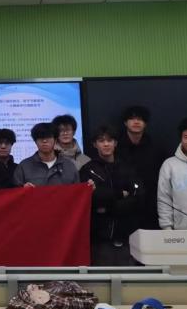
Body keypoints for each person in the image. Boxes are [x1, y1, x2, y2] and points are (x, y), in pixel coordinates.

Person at [79, 127, 143, 265]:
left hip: (127, 236)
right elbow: (92, 198)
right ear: (95, 144)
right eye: (101, 141)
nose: (106, 144)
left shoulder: (127, 167)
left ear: (115, 143)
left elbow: (137, 195)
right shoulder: (88, 169)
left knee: (129, 276)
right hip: (100, 238)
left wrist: (109, 208)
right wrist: (120, 194)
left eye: (109, 140)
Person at [117, 106, 162, 230]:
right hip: (123, 205)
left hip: (150, 205)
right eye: (132, 118)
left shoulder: (155, 148)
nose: (136, 122)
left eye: (140, 119)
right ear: (125, 122)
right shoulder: (115, 147)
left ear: (145, 123)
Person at [13, 123, 79, 187]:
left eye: (48, 137)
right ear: (35, 141)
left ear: (55, 140)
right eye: (40, 138)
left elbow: (77, 191)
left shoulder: (68, 165)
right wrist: (23, 188)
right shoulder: (24, 166)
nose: (44, 141)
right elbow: (15, 191)